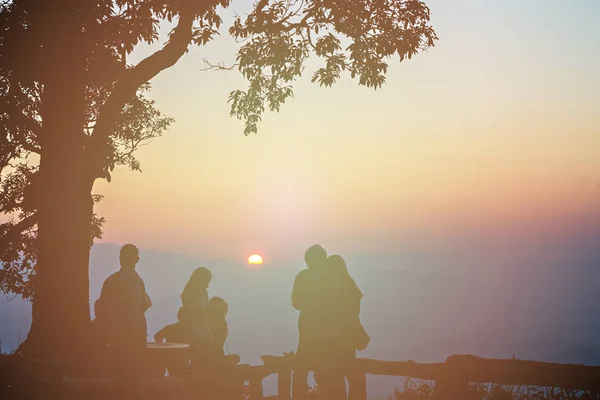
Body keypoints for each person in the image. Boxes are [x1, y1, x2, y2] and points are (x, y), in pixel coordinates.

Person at [97, 244, 152, 391]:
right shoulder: (138, 281)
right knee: (135, 376)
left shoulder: (111, 280)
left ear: (121, 259)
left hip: (116, 334)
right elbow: (146, 303)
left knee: (118, 376)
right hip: (136, 333)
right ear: (136, 259)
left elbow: (102, 308)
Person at [291, 244, 335, 400]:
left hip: (308, 331)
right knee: (326, 375)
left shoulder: (303, 277)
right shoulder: (333, 277)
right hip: (330, 334)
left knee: (300, 372)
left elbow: (296, 303)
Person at [326, 255, 368, 400]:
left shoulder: (342, 287)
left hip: (342, 338)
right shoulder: (349, 284)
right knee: (345, 373)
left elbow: (347, 315)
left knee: (338, 374)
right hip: (347, 338)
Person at [180, 267, 214, 370]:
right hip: (195, 332)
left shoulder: (201, 293)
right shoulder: (189, 295)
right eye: (206, 282)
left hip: (203, 331)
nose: (207, 285)